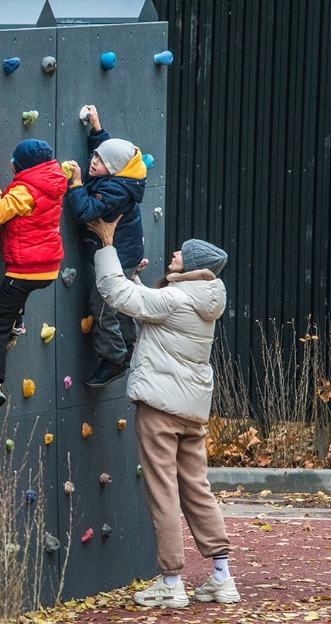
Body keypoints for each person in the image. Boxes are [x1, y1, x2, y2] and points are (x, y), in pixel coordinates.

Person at [87, 216, 238, 609]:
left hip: (160, 406)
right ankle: (222, 577)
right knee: (196, 487)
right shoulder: (204, 299)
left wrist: (106, 246)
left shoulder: (175, 298)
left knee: (163, 492)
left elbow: (115, 294)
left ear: (188, 265)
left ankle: (172, 582)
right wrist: (138, 281)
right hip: (191, 410)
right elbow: (151, 310)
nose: (173, 254)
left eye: (180, 253)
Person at [0, 138, 67, 420]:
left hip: (25, 270)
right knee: (16, 300)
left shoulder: (27, 191)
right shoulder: (53, 183)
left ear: (19, 165)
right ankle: (19, 320)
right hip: (48, 270)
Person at [65, 104, 148, 388]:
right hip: (126, 254)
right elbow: (108, 152)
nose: (93, 162)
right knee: (121, 304)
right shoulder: (116, 176)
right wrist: (97, 129)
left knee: (102, 306)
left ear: (111, 171)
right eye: (95, 157)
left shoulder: (115, 191)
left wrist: (76, 184)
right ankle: (127, 344)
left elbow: (85, 211)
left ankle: (113, 359)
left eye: (99, 162)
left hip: (120, 257)